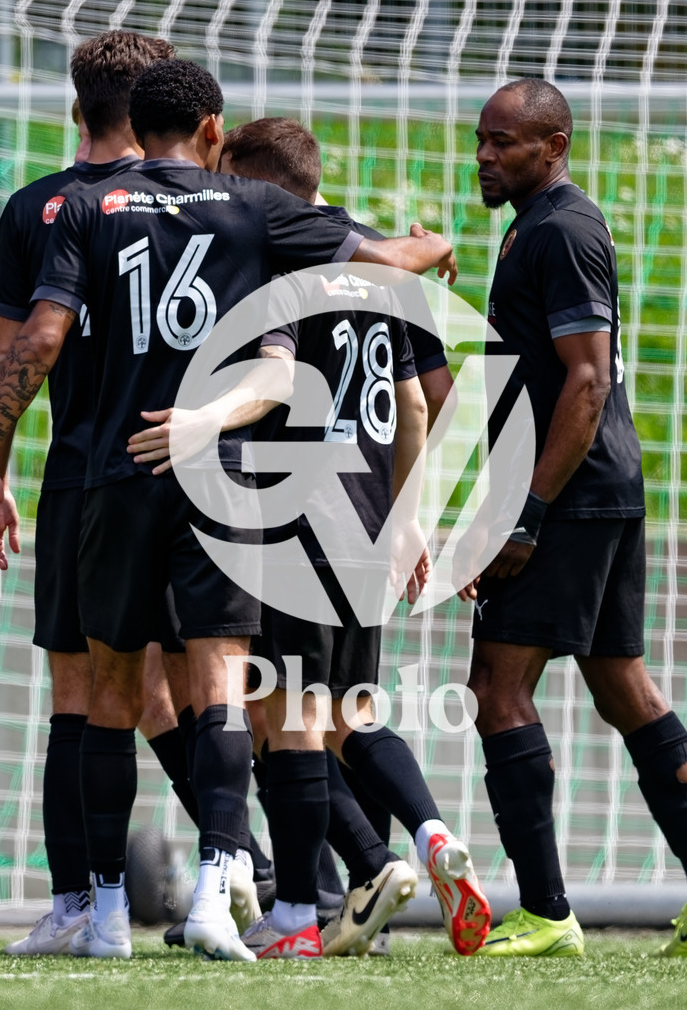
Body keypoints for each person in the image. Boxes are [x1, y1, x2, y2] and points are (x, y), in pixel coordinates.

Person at [0, 59, 457, 962]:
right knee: (230, 687)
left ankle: (102, 913)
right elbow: (392, 271)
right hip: (226, 477)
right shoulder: (254, 209)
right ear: (211, 131)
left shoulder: (80, 209)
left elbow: (40, 337)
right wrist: (429, 246)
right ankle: (218, 890)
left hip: (111, 475)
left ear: (105, 118)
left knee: (105, 692)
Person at [129, 116, 490, 960]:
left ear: (261, 186)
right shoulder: (375, 262)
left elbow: (272, 377)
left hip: (294, 515)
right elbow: (412, 404)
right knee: (346, 713)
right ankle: (423, 837)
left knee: (277, 716)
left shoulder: (285, 258)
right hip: (370, 519)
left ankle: (298, 902)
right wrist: (407, 521)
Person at [462, 77, 687, 958]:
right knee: (620, 681)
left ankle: (546, 913)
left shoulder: (561, 229)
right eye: (481, 139)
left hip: (571, 495)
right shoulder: (533, 224)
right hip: (596, 488)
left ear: (552, 147)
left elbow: (585, 382)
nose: (484, 155)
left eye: (504, 142)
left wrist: (525, 514)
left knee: (494, 690)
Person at [0, 29, 195, 957]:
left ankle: (79, 904)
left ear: (77, 107)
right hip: (199, 480)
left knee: (78, 691)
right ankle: (264, 880)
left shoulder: (39, 208)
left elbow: (22, 346)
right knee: (203, 692)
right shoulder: (207, 205)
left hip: (83, 473)